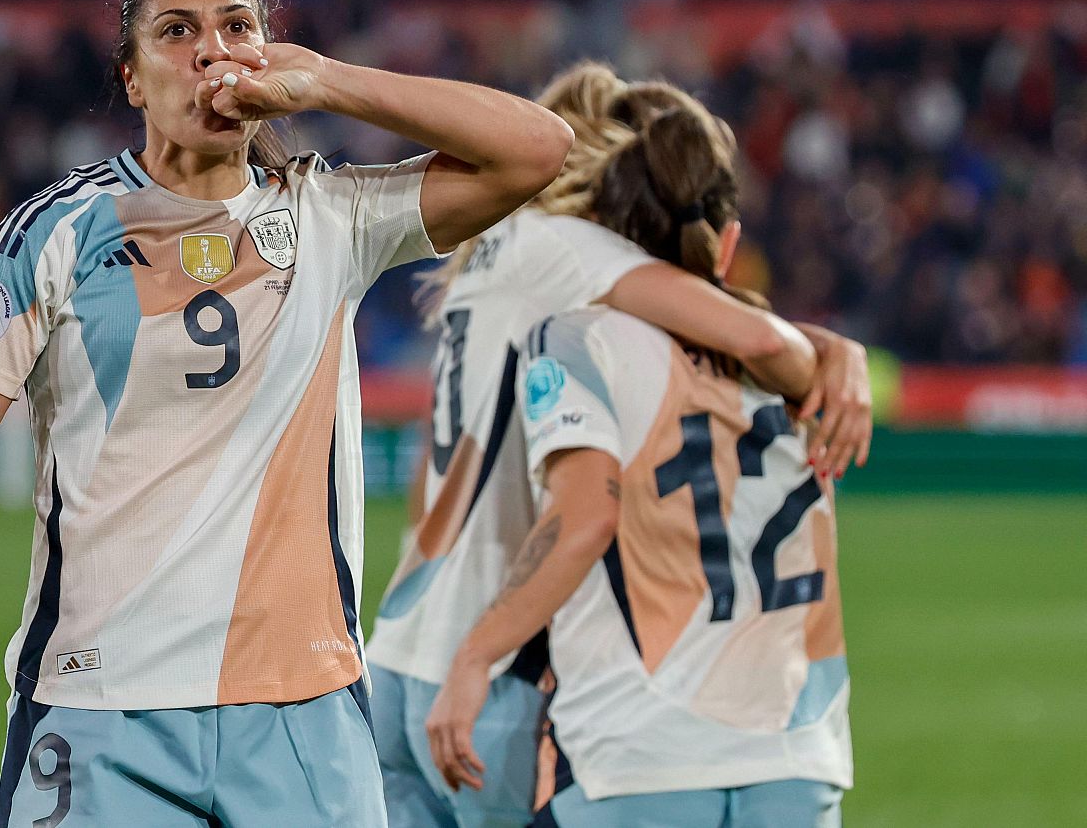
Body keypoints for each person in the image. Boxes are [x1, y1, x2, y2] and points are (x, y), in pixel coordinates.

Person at [0, 0, 574, 827]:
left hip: (304, 704)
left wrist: (330, 81)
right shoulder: (52, 234)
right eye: (177, 32)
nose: (212, 52)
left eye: (238, 28)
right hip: (101, 704)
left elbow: (539, 149)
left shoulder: (333, 216)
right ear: (133, 79)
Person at [367, 63, 871, 827]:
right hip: (490, 667)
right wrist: (831, 354)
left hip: (403, 643)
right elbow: (742, 330)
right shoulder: (573, 254)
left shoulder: (492, 252)